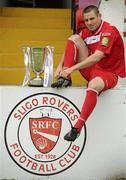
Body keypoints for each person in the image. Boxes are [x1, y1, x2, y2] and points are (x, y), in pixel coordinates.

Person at [51, 5, 126, 141]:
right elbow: (71, 45)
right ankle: (66, 79)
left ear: (100, 16)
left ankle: (77, 128)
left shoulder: (109, 31)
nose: (89, 23)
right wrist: (60, 66)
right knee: (74, 37)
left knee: (94, 84)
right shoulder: (86, 31)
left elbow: (97, 57)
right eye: (86, 20)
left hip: (108, 73)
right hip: (92, 69)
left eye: (92, 19)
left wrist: (71, 68)